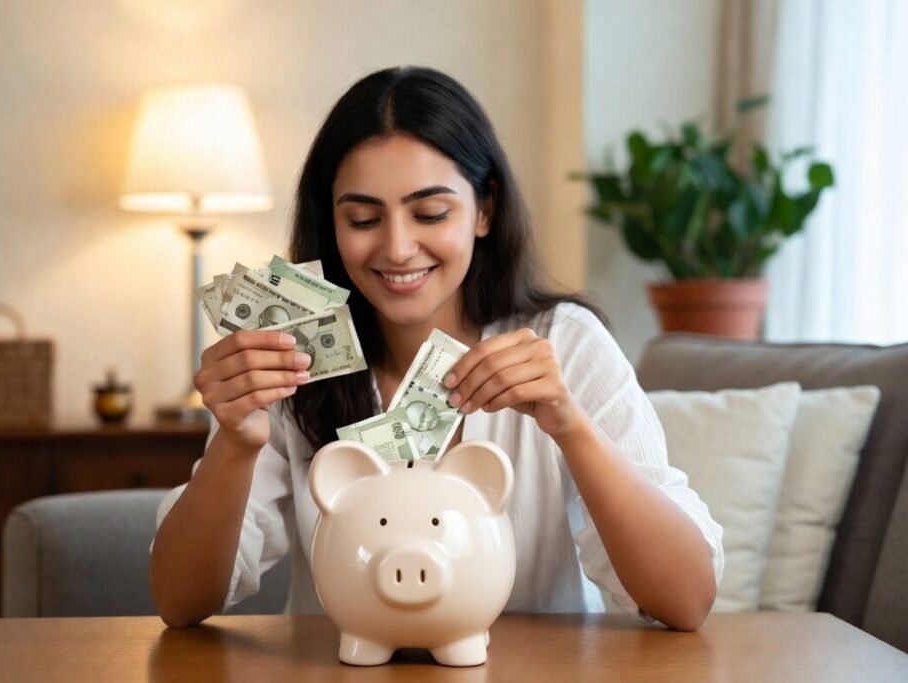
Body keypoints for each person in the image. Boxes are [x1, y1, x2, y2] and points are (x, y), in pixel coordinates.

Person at [150, 66, 723, 631]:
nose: (398, 248)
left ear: (485, 210)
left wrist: (570, 425)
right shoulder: (290, 358)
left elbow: (685, 600)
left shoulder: (566, 342)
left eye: (430, 213)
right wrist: (234, 444)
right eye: (364, 218)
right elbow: (180, 603)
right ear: (332, 221)